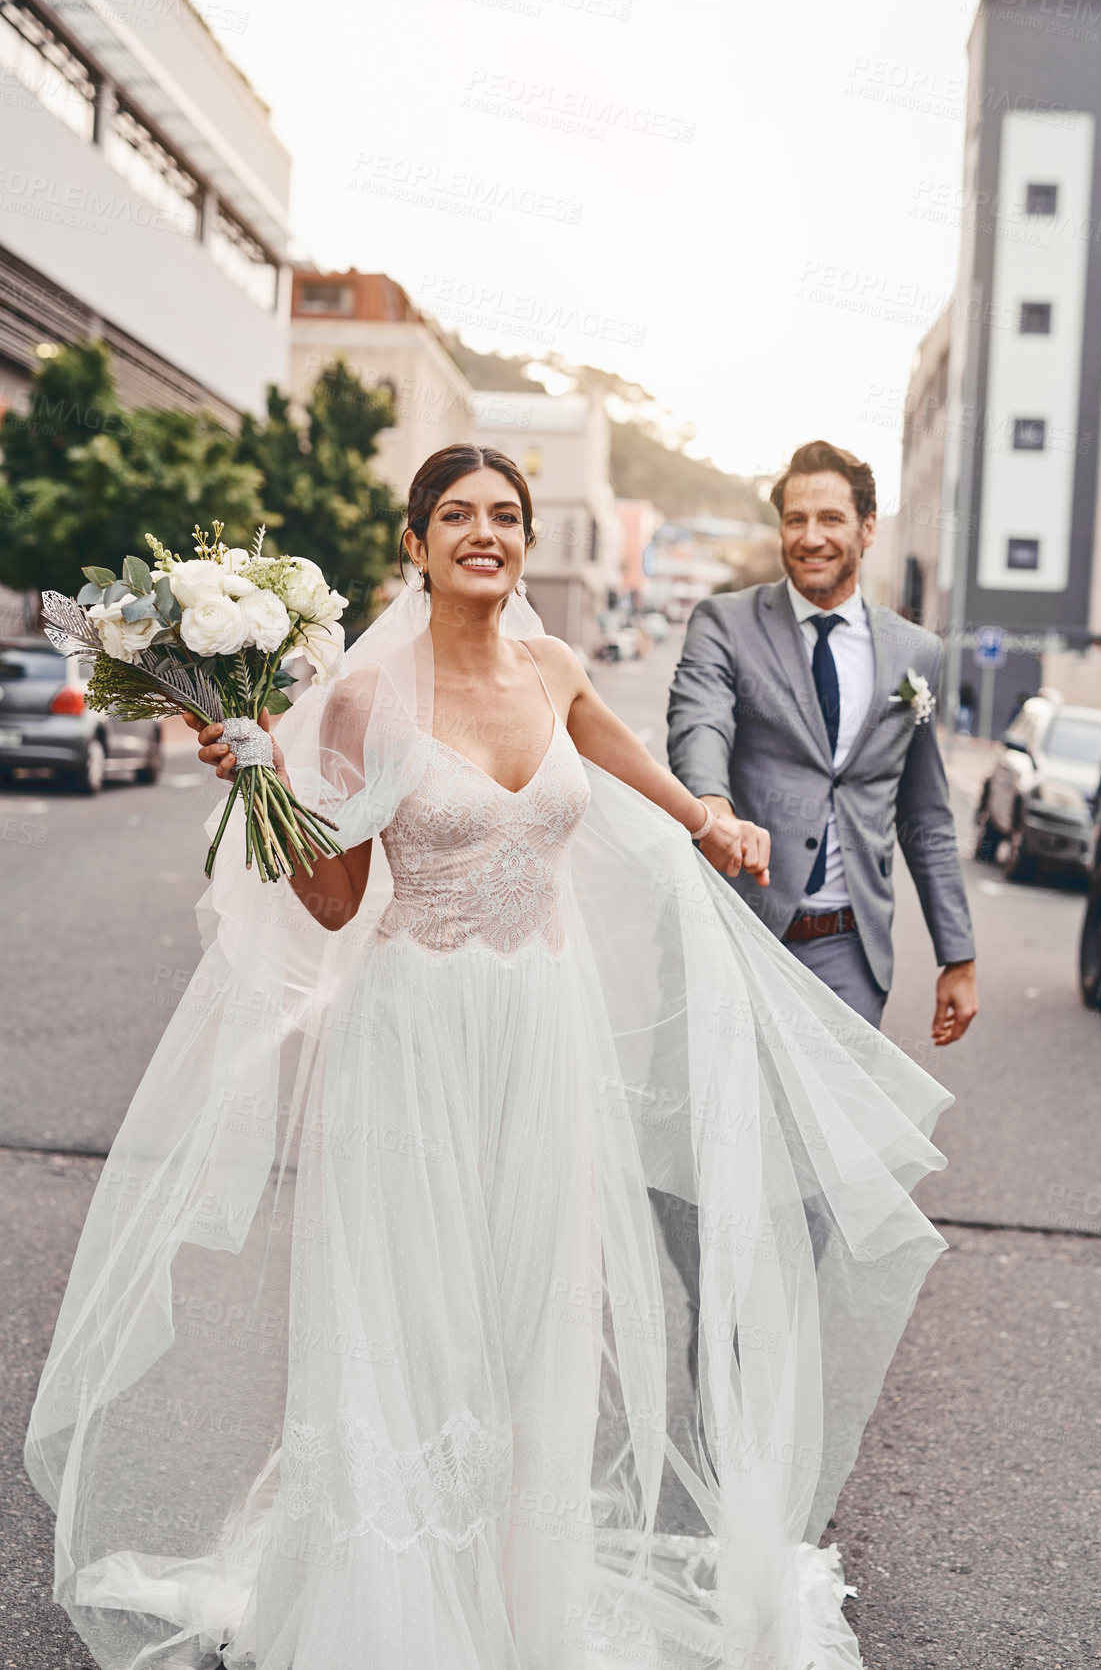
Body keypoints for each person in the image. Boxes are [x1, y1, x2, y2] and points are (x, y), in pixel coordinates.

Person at [27, 445, 956, 1670]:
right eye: (456, 515)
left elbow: (641, 773)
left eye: (506, 515)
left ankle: (517, 1603)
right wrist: (265, 771)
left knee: (530, 1322)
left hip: (538, 1033)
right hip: (413, 1031)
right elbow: (335, 897)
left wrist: (714, 822)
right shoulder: (367, 699)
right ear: (414, 545)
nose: (486, 532)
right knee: (415, 1320)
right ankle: (394, 1613)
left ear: (525, 541)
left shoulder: (557, 668)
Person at [668, 438, 978, 1040]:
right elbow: (699, 719)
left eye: (831, 518)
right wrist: (712, 807)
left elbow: (926, 812)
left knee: (838, 1133)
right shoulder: (724, 623)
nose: (811, 537)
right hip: (740, 928)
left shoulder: (916, 653)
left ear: (867, 528)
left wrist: (958, 955)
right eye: (796, 519)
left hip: (850, 952)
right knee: (738, 1128)